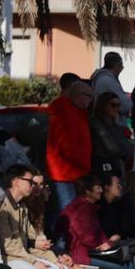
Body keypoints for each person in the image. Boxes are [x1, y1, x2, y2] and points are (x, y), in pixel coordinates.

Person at [46, 81, 93, 218]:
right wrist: (84, 164)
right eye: (89, 97)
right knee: (67, 216)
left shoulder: (75, 113)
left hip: (69, 172)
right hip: (65, 174)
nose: (91, 101)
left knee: (68, 214)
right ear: (78, 96)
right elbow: (68, 148)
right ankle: (62, 240)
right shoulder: (68, 114)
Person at [91, 91, 132, 177]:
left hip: (116, 164)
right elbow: (112, 147)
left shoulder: (114, 124)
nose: (116, 108)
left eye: (118, 105)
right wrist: (125, 150)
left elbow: (124, 142)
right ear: (103, 105)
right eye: (113, 105)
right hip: (103, 165)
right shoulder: (97, 123)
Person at [90, 52, 131, 120]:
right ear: (116, 66)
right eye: (121, 67)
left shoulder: (100, 78)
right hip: (108, 121)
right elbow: (125, 105)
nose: (121, 70)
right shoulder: (108, 81)